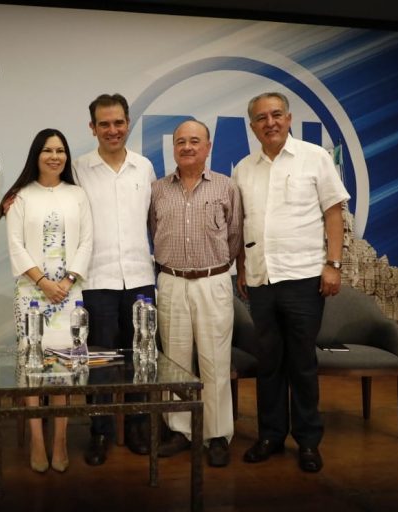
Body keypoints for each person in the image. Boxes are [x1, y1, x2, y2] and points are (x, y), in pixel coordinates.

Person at [232, 91, 349, 473]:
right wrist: (243, 268)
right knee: (269, 363)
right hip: (262, 279)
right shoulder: (243, 169)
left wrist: (333, 264)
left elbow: (333, 213)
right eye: (262, 118)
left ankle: (308, 442)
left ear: (289, 118)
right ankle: (270, 435)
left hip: (304, 277)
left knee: (301, 363)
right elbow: (242, 226)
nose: (270, 123)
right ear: (252, 127)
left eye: (277, 115)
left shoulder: (314, 158)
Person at [149, 119, 242, 468]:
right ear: (173, 148)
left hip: (212, 281)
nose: (187, 147)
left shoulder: (226, 187)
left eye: (194, 141)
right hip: (171, 281)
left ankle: (216, 434)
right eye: (180, 142)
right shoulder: (158, 189)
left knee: (214, 362)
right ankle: (178, 430)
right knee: (174, 360)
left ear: (208, 147)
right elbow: (153, 230)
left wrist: (213, 270)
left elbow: (234, 237)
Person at [0, 128, 93, 474]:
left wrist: (66, 282)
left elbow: (86, 242)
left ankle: (60, 440)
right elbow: (16, 247)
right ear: (36, 155)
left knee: (64, 368)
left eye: (60, 150)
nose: (55, 156)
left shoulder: (78, 195)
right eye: (47, 150)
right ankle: (37, 440)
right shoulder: (20, 196)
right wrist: (43, 282)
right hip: (32, 296)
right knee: (33, 369)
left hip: (69, 295)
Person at [72, 93, 157, 465]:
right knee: (101, 361)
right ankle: (100, 431)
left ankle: (138, 426)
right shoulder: (78, 169)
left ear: (128, 123)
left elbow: (155, 221)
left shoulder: (145, 167)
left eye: (118, 122)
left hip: (140, 278)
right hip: (97, 280)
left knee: (140, 356)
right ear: (92, 128)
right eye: (104, 124)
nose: (112, 130)